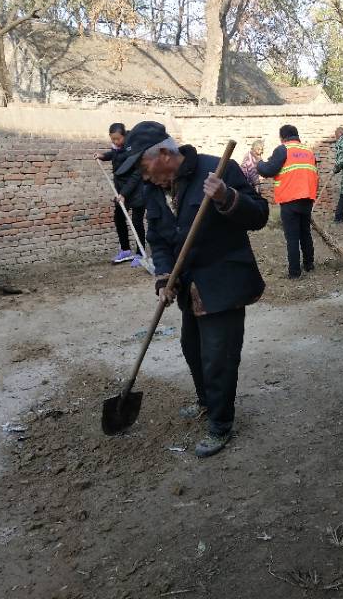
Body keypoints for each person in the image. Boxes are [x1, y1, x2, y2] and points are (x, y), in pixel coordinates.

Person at [115, 121, 269, 458]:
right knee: (192, 349)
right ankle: (205, 401)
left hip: (222, 281)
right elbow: (156, 236)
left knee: (219, 358)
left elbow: (259, 216)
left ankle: (220, 424)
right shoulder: (156, 189)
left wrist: (226, 197)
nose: (143, 176)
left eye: (143, 166)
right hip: (188, 287)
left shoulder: (219, 169)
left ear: (166, 154)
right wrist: (164, 275)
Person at [257, 124, 318, 279]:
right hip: (307, 199)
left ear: (282, 137)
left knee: (292, 237)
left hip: (290, 200)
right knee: (305, 233)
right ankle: (309, 265)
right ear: (297, 136)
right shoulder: (308, 151)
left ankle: (294, 272)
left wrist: (258, 163)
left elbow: (268, 170)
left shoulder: (283, 149)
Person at [96, 123, 147, 268]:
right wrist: (104, 156)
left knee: (137, 222)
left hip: (136, 190)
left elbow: (137, 174)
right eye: (113, 140)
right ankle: (125, 250)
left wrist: (124, 193)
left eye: (117, 139)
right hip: (121, 191)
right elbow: (116, 155)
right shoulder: (118, 147)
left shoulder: (134, 148)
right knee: (119, 218)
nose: (115, 142)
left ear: (124, 135)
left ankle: (140, 253)